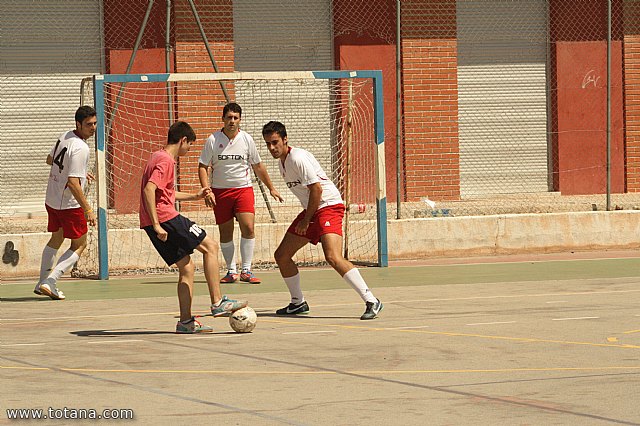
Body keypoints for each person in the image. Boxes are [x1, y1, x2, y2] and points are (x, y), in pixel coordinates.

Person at [261, 121, 383, 320]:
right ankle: (297, 302)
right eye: (268, 144)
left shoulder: (297, 158)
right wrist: (308, 217)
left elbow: (316, 189)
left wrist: (306, 220)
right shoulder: (282, 163)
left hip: (328, 206)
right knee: (282, 255)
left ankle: (372, 300)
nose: (272, 148)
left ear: (285, 139)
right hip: (312, 209)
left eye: (275, 142)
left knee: (333, 257)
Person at [141, 120, 247, 334]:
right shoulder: (166, 161)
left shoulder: (156, 156)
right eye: (189, 145)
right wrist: (157, 224)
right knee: (211, 246)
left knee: (187, 268)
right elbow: (149, 190)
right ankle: (217, 302)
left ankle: (185, 322)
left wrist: (195, 196)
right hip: (165, 219)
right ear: (183, 140)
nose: (189, 149)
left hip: (155, 221)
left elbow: (165, 194)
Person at [198, 102, 283, 284]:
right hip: (220, 193)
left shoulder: (247, 139)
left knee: (248, 227)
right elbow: (203, 167)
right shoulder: (213, 140)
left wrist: (271, 188)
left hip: (243, 190)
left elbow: (258, 166)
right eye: (229, 117)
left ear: (240, 120)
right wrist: (207, 190)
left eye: (236, 118)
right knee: (226, 232)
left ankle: (246, 270)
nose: (232, 121)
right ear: (223, 119)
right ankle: (231, 271)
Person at [34, 106, 98, 300]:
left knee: (56, 238)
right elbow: (72, 183)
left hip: (52, 199)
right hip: (69, 204)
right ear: (78, 124)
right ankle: (50, 281)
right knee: (80, 244)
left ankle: (41, 282)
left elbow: (49, 160)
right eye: (88, 125)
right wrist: (88, 209)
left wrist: (78, 170)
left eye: (95, 123)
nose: (93, 128)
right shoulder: (81, 147)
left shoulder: (65, 136)